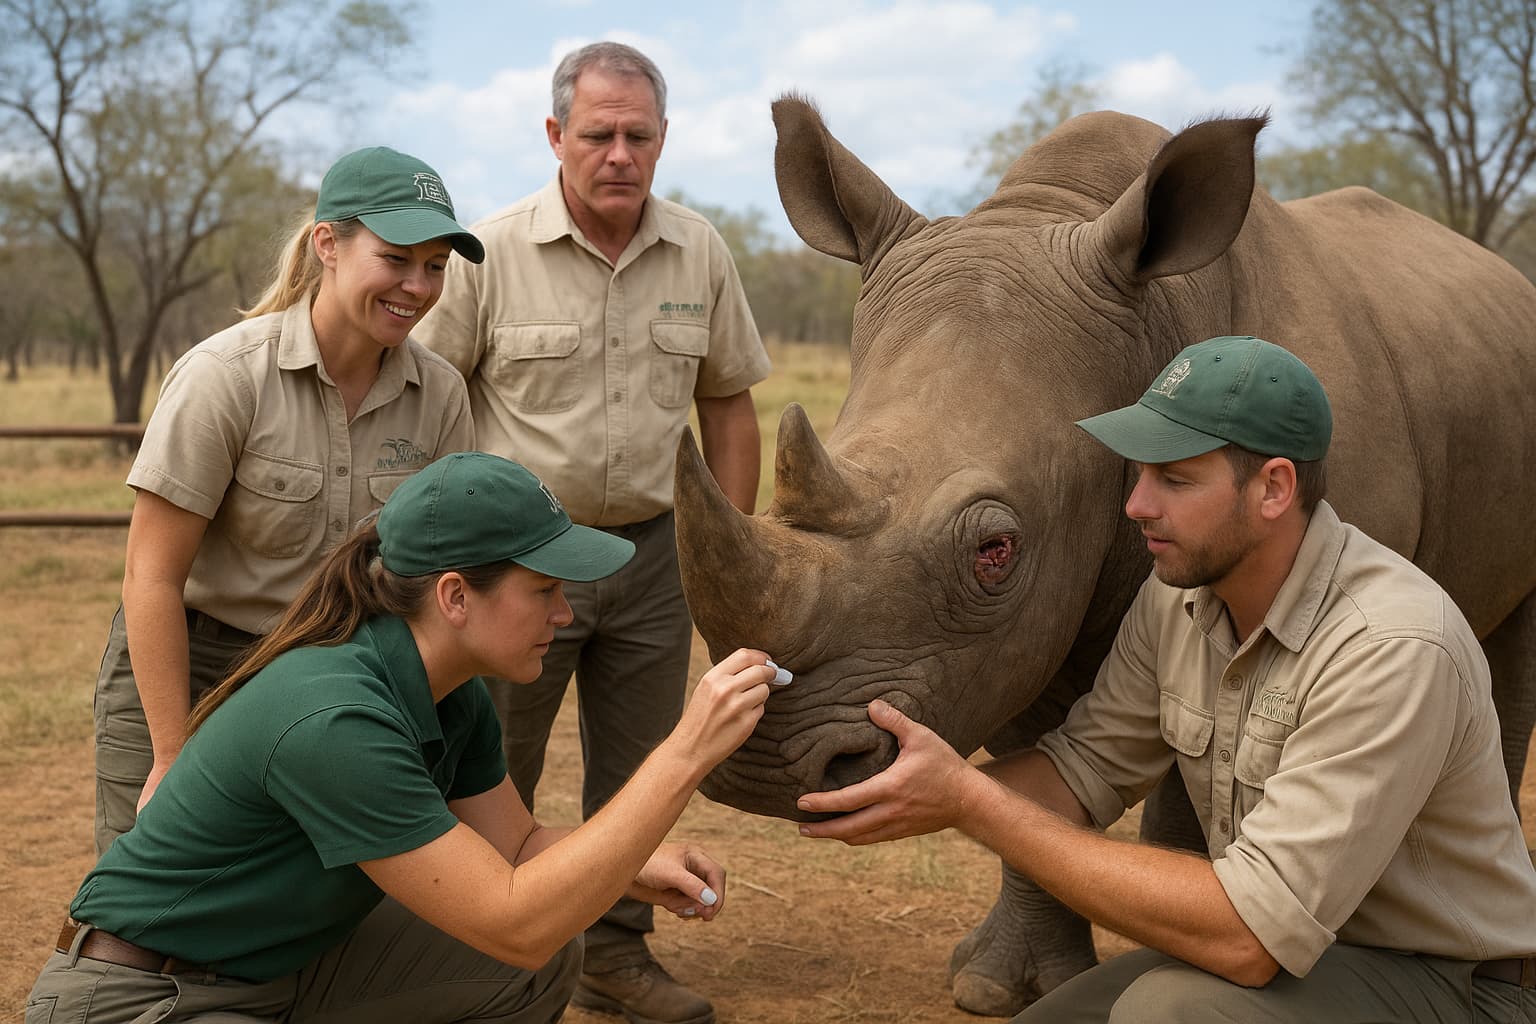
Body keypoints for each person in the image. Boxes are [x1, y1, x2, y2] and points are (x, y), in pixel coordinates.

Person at [798, 335, 1536, 1022]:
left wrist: (968, 802)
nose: (1137, 505)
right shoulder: (1181, 595)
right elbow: (1081, 771)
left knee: (1168, 1013)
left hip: (1449, 981)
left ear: (1274, 488)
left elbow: (1249, 936)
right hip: (1303, 955)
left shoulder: (1391, 645)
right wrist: (893, 782)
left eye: (1176, 479)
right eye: (1141, 472)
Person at [28, 451, 780, 1024]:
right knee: (527, 938)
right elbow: (515, 917)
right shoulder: (336, 719)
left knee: (533, 963)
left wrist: (632, 862)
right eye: (545, 589)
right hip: (141, 996)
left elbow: (515, 853)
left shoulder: (448, 691)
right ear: (455, 595)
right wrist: (686, 751)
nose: (564, 614)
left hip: (274, 971)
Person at [412, 41, 770, 1024]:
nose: (619, 153)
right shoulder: (488, 255)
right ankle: (470, 956)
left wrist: (723, 554)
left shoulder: (699, 249)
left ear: (663, 140)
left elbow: (729, 408)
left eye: (638, 135)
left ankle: (614, 955)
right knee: (488, 761)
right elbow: (426, 402)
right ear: (555, 135)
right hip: (511, 563)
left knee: (640, 764)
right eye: (599, 133)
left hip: (654, 557)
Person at [93, 146, 484, 855]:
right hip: (197, 667)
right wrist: (172, 754)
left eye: (436, 266)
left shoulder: (442, 398)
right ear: (327, 244)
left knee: (297, 902)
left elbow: (434, 572)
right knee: (150, 890)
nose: (418, 287)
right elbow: (151, 576)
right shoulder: (225, 377)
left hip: (337, 675)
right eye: (397, 258)